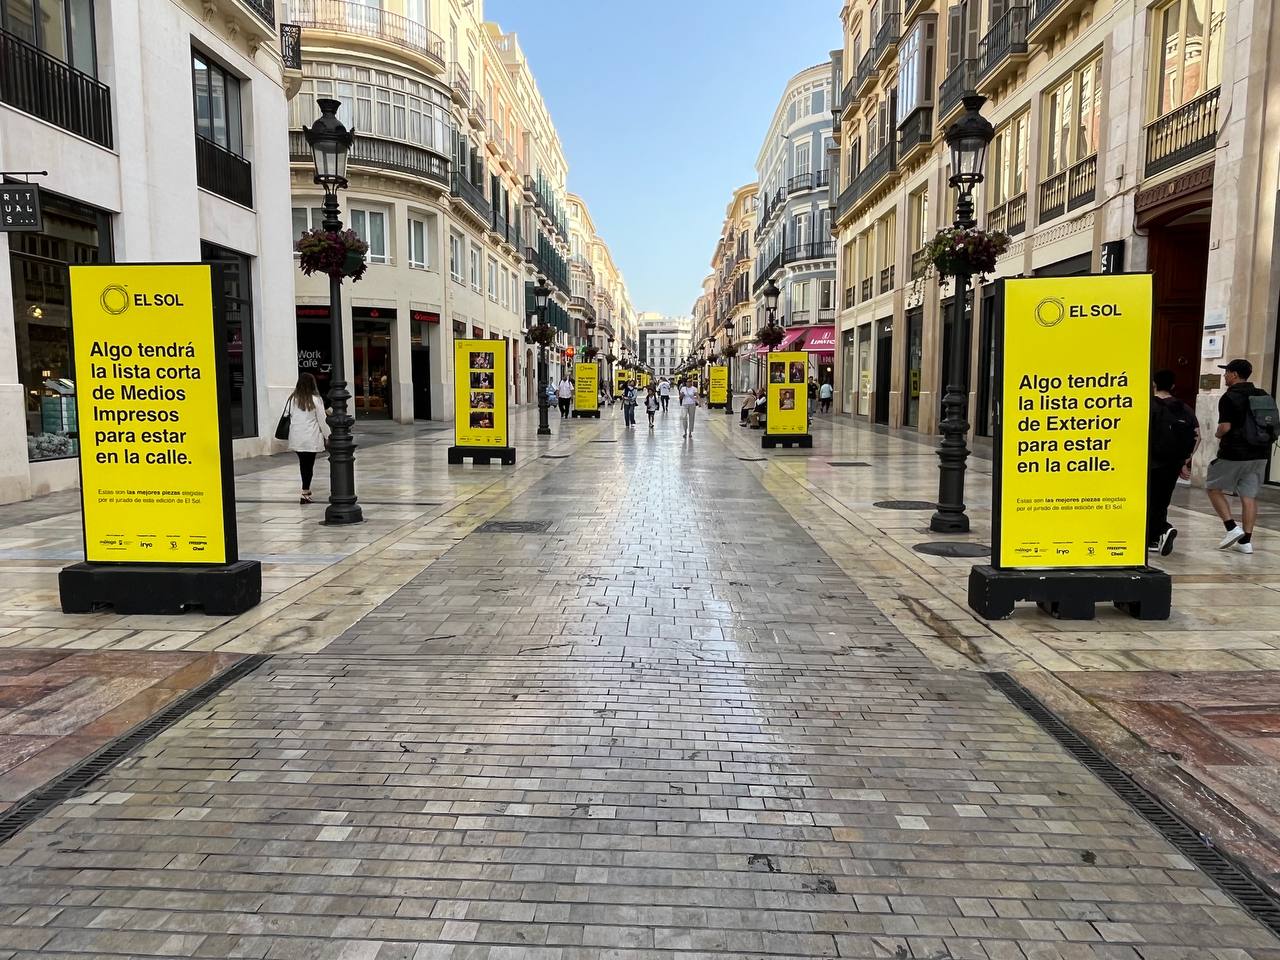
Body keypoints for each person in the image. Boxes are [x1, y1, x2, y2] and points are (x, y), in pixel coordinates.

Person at [1207, 358, 1277, 554]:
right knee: (1249, 496)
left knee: (1213, 487)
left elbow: (1225, 427)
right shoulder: (1263, 394)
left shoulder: (1229, 397)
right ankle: (1246, 542)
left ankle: (1231, 528)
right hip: (1260, 452)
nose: (1224, 376)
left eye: (1226, 372)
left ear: (1234, 374)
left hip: (1234, 452)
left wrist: (1217, 434)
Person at [1148, 370, 1199, 556]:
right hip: (1173, 463)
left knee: (1149, 501)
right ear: (1173, 386)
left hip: (1151, 462)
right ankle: (1157, 536)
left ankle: (1161, 531)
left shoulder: (1149, 405)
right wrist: (1185, 461)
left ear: (1153, 384)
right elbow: (1197, 436)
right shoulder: (1183, 408)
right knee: (1162, 501)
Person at [285, 373, 329, 505]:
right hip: (310, 437)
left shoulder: (292, 399)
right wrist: (328, 435)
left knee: (303, 464)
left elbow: (287, 414)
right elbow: (322, 420)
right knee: (308, 465)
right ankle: (305, 492)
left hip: (297, 437)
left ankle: (306, 490)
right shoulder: (316, 400)